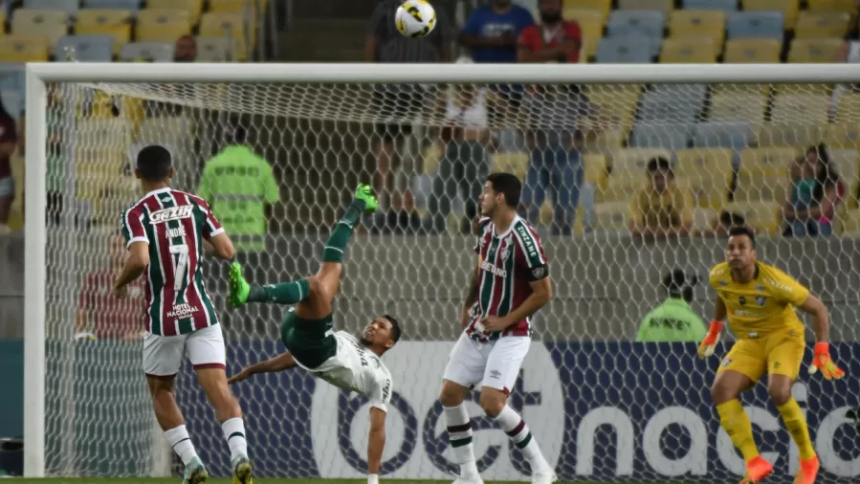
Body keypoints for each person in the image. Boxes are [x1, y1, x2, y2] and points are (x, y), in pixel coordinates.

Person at [226, 185, 399, 484]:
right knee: (330, 267)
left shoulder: (381, 377)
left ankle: (249, 293)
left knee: (318, 285)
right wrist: (254, 369)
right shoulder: (347, 337)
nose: (372, 325)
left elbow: (377, 429)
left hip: (317, 347)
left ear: (390, 342)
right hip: (298, 334)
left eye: (381, 327)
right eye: (374, 321)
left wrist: (373, 479)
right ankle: (360, 202)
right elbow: (295, 357)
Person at [115, 145, 253, 484]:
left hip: (164, 319)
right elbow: (226, 250)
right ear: (172, 172)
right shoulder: (196, 203)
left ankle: (193, 464)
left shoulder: (136, 213)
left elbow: (140, 260)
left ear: (136, 173)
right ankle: (240, 456)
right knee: (220, 390)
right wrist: (192, 240)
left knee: (162, 391)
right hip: (201, 313)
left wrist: (119, 283)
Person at [699, 226, 844, 484]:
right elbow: (724, 295)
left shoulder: (774, 281)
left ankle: (808, 459)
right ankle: (754, 461)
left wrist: (822, 349)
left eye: (742, 248)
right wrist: (714, 329)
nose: (735, 253)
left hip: (784, 338)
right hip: (750, 342)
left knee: (778, 392)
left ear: (753, 254)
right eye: (731, 247)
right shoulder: (718, 275)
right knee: (720, 390)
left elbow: (819, 308)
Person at [439, 173, 556, 484]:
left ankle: (541, 469)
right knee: (449, 393)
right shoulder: (483, 226)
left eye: (487, 191)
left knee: (491, 404)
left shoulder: (525, 239)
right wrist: (467, 303)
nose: (482, 196)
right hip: (482, 324)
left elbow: (544, 292)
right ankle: (468, 476)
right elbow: (480, 269)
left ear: (501, 197)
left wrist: (505, 320)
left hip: (511, 332)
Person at [365, 0, 454, 212]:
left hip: (423, 91)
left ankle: (407, 196)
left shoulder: (436, 12)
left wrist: (443, 84)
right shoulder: (385, 9)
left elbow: (445, 50)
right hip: (389, 88)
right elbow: (371, 43)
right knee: (387, 141)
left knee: (415, 147)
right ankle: (384, 194)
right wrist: (369, 78)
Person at [76, 233, 145, 341]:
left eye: (124, 246)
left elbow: (150, 313)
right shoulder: (96, 278)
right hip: (103, 342)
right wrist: (80, 332)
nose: (119, 250)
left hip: (131, 343)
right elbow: (82, 307)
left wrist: (140, 334)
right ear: (108, 250)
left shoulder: (141, 280)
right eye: (114, 246)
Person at [782, 144, 842, 237]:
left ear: (822, 165)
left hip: (820, 224)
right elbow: (785, 207)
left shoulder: (829, 183)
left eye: (814, 162)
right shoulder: (796, 183)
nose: (810, 166)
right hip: (798, 223)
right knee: (797, 225)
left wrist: (794, 214)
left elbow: (821, 210)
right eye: (807, 162)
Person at [628, 157, 693, 238]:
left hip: (675, 241)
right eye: (655, 178)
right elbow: (632, 226)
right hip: (647, 241)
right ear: (649, 178)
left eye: (662, 177)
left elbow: (686, 227)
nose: (659, 182)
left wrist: (660, 232)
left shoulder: (681, 194)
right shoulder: (639, 195)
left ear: (670, 176)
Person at [635, 269, 707, 343]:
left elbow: (637, 347)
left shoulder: (650, 318)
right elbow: (704, 351)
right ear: (688, 293)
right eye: (691, 290)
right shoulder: (694, 323)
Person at [517, 0, 581, 64]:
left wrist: (533, 54)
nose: (549, 6)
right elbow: (523, 58)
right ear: (539, 6)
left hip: (567, 73)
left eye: (553, 2)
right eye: (545, 2)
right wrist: (555, 55)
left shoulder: (571, 27)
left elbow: (564, 51)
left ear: (561, 4)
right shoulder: (528, 32)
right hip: (537, 73)